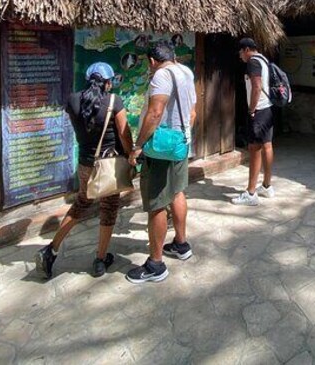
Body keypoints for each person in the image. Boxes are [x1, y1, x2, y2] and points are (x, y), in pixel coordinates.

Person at [35, 62, 133, 279]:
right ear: (108, 83)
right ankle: (100, 259)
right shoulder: (114, 101)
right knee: (109, 209)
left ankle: (51, 249)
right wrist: (131, 154)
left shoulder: (72, 100)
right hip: (109, 165)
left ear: (89, 79)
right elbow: (124, 134)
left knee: (80, 205)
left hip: (86, 165)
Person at [126, 43, 197, 283]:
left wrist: (138, 145)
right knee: (177, 191)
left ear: (152, 61)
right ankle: (181, 243)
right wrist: (181, 135)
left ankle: (156, 264)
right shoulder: (186, 72)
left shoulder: (161, 76)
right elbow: (193, 113)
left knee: (156, 203)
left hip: (161, 148)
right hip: (180, 143)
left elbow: (155, 113)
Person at [233, 37, 275, 206]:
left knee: (254, 148)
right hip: (268, 109)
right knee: (267, 145)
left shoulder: (252, 63)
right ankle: (266, 185)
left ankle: (251, 193)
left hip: (258, 110)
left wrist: (251, 108)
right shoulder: (264, 59)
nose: (240, 56)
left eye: (240, 52)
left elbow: (256, 86)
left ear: (246, 50)